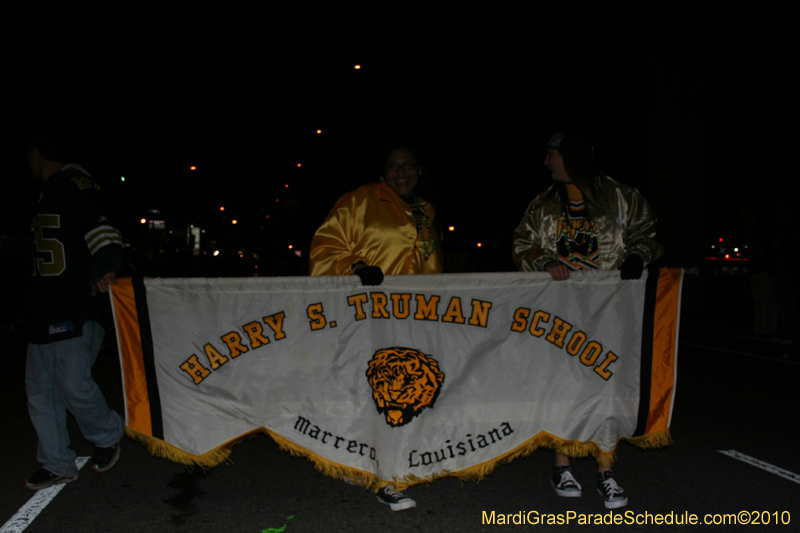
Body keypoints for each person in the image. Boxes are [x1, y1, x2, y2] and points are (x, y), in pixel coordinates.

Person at [512, 130, 664, 509]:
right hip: (560, 311)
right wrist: (543, 261)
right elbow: (522, 242)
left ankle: (606, 469)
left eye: (551, 155)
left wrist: (637, 256)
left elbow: (646, 233)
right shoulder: (544, 203)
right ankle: (562, 464)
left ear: (572, 157)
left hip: (609, 311)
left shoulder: (621, 197)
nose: (546, 162)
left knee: (606, 387)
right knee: (563, 385)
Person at [309, 144, 444, 510]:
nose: (401, 173)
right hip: (368, 316)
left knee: (408, 393)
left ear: (419, 170)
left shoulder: (426, 210)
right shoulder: (360, 199)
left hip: (416, 316)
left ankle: (395, 463)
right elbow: (325, 245)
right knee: (378, 393)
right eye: (393, 167)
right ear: (382, 172)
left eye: (408, 166)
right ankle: (384, 475)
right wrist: (356, 267)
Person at [23, 128, 126, 490]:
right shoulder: (43, 194)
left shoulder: (76, 185)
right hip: (43, 309)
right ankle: (56, 462)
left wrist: (106, 266)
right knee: (39, 390)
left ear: (38, 152)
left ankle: (107, 433)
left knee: (72, 384)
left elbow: (105, 234)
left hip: (77, 306)